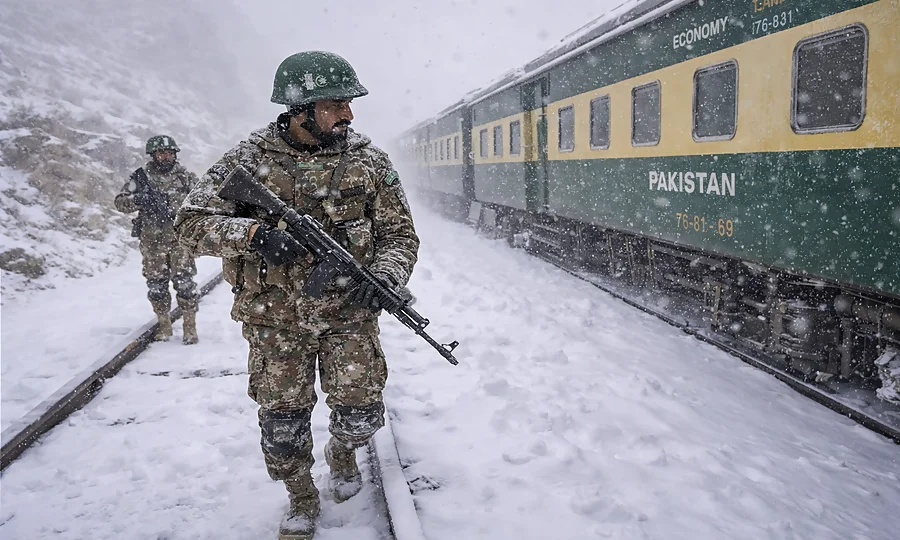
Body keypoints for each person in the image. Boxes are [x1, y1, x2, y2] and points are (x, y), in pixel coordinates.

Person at [174, 51, 419, 540]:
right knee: (282, 427)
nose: (348, 114)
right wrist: (254, 237)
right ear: (299, 108)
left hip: (349, 314)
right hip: (274, 321)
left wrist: (387, 276)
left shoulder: (368, 161)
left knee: (362, 412)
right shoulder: (247, 161)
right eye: (335, 105)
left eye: (348, 104)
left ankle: (343, 451)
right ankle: (301, 497)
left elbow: (399, 234)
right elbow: (190, 223)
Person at [115, 135, 201, 344]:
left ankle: (190, 327)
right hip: (152, 243)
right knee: (156, 286)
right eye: (162, 153)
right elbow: (119, 202)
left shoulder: (185, 177)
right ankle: (164, 325)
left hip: (179, 241)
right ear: (153, 155)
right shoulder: (141, 178)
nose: (166, 157)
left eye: (170, 153)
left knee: (185, 284)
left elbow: (202, 201)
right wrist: (138, 199)